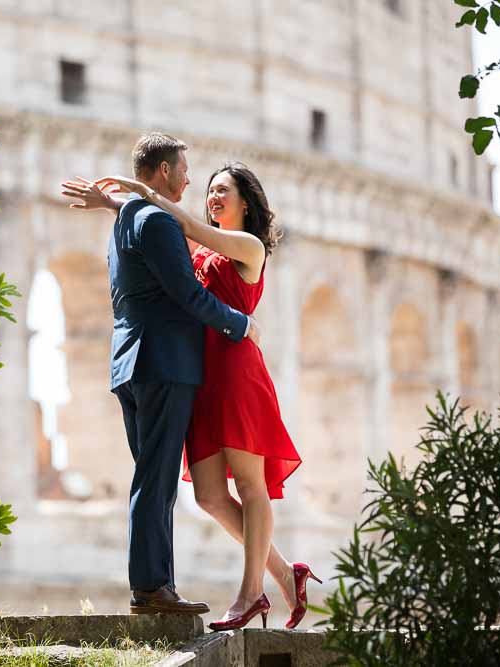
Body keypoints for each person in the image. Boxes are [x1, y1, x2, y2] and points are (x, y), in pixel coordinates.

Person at [62, 159, 321, 631]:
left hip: (237, 372)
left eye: (224, 191)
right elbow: (161, 232)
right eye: (210, 190)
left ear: (247, 202)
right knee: (208, 496)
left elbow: (178, 221)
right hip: (201, 375)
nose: (213, 197)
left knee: (249, 486)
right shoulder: (199, 244)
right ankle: (285, 572)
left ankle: (251, 593)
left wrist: (140, 191)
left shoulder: (248, 245)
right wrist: (114, 204)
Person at [85, 133, 262, 616]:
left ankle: (155, 585)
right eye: (184, 170)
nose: (189, 179)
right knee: (157, 478)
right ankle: (152, 588)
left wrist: (115, 199)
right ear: (163, 172)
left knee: (152, 476)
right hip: (164, 364)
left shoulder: (125, 219)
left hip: (130, 362)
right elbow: (187, 293)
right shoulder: (159, 220)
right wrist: (240, 324)